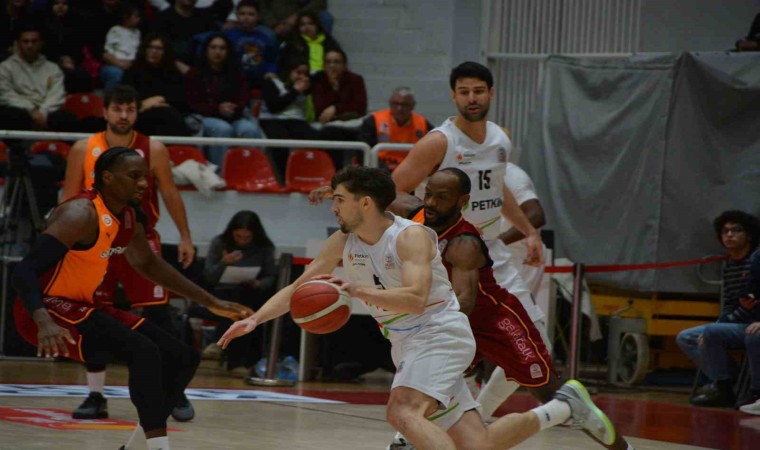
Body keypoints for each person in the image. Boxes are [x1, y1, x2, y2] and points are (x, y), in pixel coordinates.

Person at [220, 165, 618, 450]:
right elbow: (299, 287)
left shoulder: (411, 237)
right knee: (476, 443)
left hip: (439, 333)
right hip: (406, 342)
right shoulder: (342, 242)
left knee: (402, 413)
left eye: (338, 200)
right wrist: (255, 320)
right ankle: (561, 409)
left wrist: (359, 291)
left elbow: (415, 297)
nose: (333, 207)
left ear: (365, 203)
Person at [12, 146, 252, 450]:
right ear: (108, 177)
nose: (142, 183)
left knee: (183, 356)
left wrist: (211, 302)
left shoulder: (128, 216)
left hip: (84, 306)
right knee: (144, 351)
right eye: (134, 176)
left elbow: (149, 264)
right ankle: (158, 447)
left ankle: (137, 446)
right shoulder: (80, 213)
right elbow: (24, 270)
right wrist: (43, 320)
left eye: (145, 177)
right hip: (46, 309)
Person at [385, 168, 632, 450]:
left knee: (547, 390)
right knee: (431, 378)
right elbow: (383, 194)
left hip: (492, 321)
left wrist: (428, 327)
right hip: (453, 320)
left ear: (462, 201)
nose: (431, 202)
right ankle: (409, 437)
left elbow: (466, 300)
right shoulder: (417, 215)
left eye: (441, 198)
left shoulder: (464, 242)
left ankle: (618, 444)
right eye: (428, 194)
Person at [61, 85, 198, 422]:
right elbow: (69, 196)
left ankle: (174, 387)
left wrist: (185, 236)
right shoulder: (83, 148)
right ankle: (95, 395)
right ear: (105, 111)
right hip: (96, 242)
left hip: (140, 239)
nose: (124, 116)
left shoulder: (154, 148)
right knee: (93, 315)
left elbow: (170, 193)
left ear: (137, 112)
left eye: (130, 110)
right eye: (117, 109)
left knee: (159, 313)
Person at [678, 210, 760, 407]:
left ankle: (739, 388)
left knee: (713, 333)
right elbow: (730, 303)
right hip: (738, 322)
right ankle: (728, 382)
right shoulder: (729, 265)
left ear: (749, 235)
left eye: (736, 230)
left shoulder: (755, 261)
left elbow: (750, 304)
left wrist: (718, 326)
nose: (729, 235)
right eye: (725, 231)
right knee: (686, 337)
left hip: (752, 320)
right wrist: (719, 323)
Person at [201, 210, 277, 377]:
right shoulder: (220, 243)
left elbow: (271, 276)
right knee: (238, 307)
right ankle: (237, 363)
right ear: (231, 233)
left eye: (247, 237)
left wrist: (259, 283)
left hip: (251, 291)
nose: (242, 241)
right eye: (238, 236)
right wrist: (223, 262)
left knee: (242, 301)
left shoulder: (264, 247)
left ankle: (217, 342)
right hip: (220, 293)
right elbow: (209, 276)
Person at [185, 33, 264, 167]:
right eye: (213, 47)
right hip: (205, 116)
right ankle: (220, 174)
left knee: (249, 129)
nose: (218, 52)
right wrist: (217, 109)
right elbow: (192, 102)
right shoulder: (194, 74)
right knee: (222, 129)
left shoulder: (236, 73)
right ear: (206, 50)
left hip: (234, 116)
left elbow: (244, 98)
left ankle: (249, 173)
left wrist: (234, 107)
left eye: (222, 48)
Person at [0, 24, 79, 132]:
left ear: (41, 43)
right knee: (11, 116)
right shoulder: (5, 67)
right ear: (18, 43)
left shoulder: (53, 68)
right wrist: (31, 110)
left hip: (47, 112)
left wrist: (42, 112)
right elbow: (6, 95)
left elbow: (57, 94)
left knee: (66, 118)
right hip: (20, 110)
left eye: (34, 41)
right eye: (25, 41)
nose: (30, 45)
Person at [122, 32, 192, 137]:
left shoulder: (173, 74)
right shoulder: (132, 72)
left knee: (168, 114)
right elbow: (125, 98)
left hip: (167, 115)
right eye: (150, 47)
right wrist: (146, 103)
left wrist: (159, 99)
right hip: (139, 116)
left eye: (159, 48)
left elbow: (181, 101)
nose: (154, 51)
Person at [358, 87, 435, 171]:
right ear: (390, 104)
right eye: (395, 104)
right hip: (379, 169)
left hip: (411, 170)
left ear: (413, 105)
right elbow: (362, 153)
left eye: (405, 104)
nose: (399, 108)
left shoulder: (423, 124)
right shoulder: (373, 121)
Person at [223, 0, 279, 89]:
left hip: (260, 79)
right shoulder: (228, 35)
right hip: (234, 79)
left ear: (258, 17)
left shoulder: (266, 37)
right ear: (237, 16)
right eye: (242, 14)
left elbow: (272, 59)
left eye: (251, 14)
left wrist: (270, 71)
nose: (246, 17)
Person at [100, 1, 142, 90]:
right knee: (116, 73)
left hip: (132, 64)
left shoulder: (137, 33)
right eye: (135, 16)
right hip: (114, 64)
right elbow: (107, 53)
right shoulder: (115, 30)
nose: (138, 19)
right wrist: (120, 63)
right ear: (126, 17)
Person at [739, 248, 760, 414]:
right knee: (711, 332)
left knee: (755, 336)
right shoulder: (757, 256)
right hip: (752, 319)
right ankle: (726, 390)